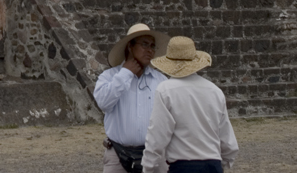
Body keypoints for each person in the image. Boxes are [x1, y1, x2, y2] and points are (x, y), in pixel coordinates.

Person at [142, 36, 238, 173]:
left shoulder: (165, 90)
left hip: (183, 165)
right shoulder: (214, 91)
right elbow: (227, 138)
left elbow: (158, 134)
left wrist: (148, 167)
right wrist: (223, 162)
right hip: (212, 163)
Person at [94, 23, 170, 173]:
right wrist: (125, 73)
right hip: (117, 154)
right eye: (144, 44)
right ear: (130, 46)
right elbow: (103, 103)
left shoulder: (161, 81)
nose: (150, 50)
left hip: (154, 155)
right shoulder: (108, 77)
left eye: (152, 46)